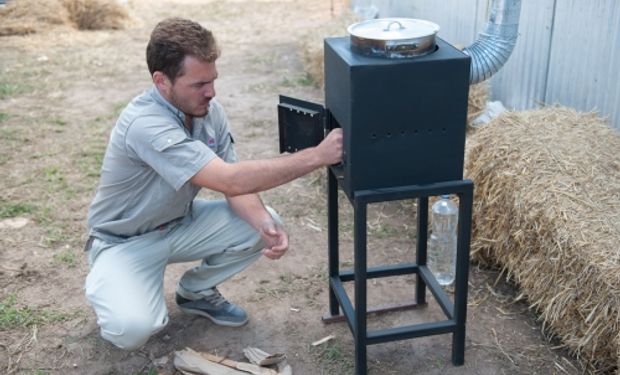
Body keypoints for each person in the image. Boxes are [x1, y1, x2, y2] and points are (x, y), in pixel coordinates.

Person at [84, 17, 343, 350]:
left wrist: (262, 222)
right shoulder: (144, 123)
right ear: (161, 81)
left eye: (213, 80)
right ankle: (110, 286)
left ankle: (195, 292)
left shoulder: (209, 111)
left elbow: (235, 187)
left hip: (179, 224)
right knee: (134, 330)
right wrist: (317, 156)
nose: (211, 92)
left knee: (265, 223)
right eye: (198, 84)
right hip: (124, 241)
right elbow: (229, 179)